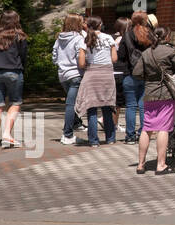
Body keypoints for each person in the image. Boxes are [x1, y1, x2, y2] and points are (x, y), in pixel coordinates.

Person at [134, 26, 175, 175]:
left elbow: (137, 73)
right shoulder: (171, 52)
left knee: (147, 128)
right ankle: (161, 165)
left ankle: (140, 164)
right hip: (165, 93)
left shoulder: (146, 53)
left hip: (149, 93)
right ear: (167, 37)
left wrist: (149, 78)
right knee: (163, 128)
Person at [0, 10, 28, 148]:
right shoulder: (19, 36)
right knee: (15, 103)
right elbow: (23, 56)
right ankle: (6, 133)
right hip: (14, 71)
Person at [75, 16, 118, 146]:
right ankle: (110, 138)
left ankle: (94, 141)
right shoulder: (109, 38)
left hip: (92, 74)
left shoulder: (85, 40)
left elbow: (81, 63)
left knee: (91, 108)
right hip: (106, 75)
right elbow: (114, 59)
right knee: (107, 107)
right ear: (99, 25)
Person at [117, 11, 151, 143]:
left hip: (129, 74)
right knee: (143, 105)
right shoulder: (149, 35)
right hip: (145, 74)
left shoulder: (127, 35)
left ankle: (130, 136)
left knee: (130, 106)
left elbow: (120, 55)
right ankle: (144, 133)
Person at [53, 14, 86, 145]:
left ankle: (76, 125)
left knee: (72, 104)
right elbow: (81, 57)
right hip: (75, 74)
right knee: (71, 105)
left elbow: (54, 57)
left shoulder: (59, 38)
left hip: (62, 75)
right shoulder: (79, 39)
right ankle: (67, 134)